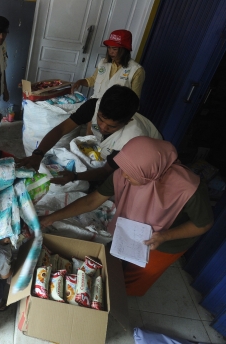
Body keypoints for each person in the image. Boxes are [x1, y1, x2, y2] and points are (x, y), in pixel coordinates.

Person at [39, 137, 213, 296]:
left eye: (130, 174)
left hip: (169, 241)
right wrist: (53, 217)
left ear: (149, 173)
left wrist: (165, 236)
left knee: (139, 276)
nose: (123, 176)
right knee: (118, 263)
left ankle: (123, 296)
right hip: (134, 230)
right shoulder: (125, 172)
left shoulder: (189, 190)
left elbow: (203, 225)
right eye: (123, 169)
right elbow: (91, 201)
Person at [18, 85, 161, 184]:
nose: (103, 127)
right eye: (100, 119)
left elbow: (106, 171)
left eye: (112, 126)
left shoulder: (133, 139)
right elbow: (61, 129)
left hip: (149, 162)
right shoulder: (94, 105)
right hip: (116, 148)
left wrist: (75, 176)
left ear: (127, 121)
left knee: (121, 183)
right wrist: (38, 154)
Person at [71, 29, 145, 99]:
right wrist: (80, 82)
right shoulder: (103, 62)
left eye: (114, 49)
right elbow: (94, 79)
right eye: (109, 48)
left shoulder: (136, 70)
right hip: (95, 102)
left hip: (114, 110)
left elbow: (134, 99)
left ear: (124, 50)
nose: (110, 52)